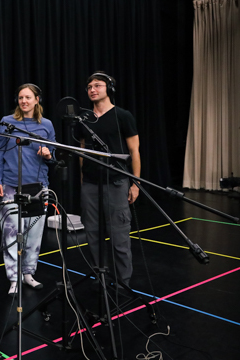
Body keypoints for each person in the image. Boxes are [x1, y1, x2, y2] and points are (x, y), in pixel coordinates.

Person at [74, 71, 140, 287]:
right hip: (91, 185)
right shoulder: (83, 119)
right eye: (89, 86)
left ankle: (123, 283)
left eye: (97, 85)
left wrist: (135, 183)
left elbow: (134, 151)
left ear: (108, 88)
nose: (92, 89)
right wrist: (83, 180)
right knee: (92, 234)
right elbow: (82, 151)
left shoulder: (123, 116)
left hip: (117, 183)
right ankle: (101, 278)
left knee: (119, 236)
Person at [0, 84, 56, 295]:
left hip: (38, 186)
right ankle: (14, 277)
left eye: (28, 97)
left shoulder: (46, 125)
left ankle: (28, 273)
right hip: (10, 185)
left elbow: (53, 154)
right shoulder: (7, 123)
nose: (24, 101)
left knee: (34, 233)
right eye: (21, 97)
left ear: (37, 100)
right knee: (12, 233)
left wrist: (48, 155)